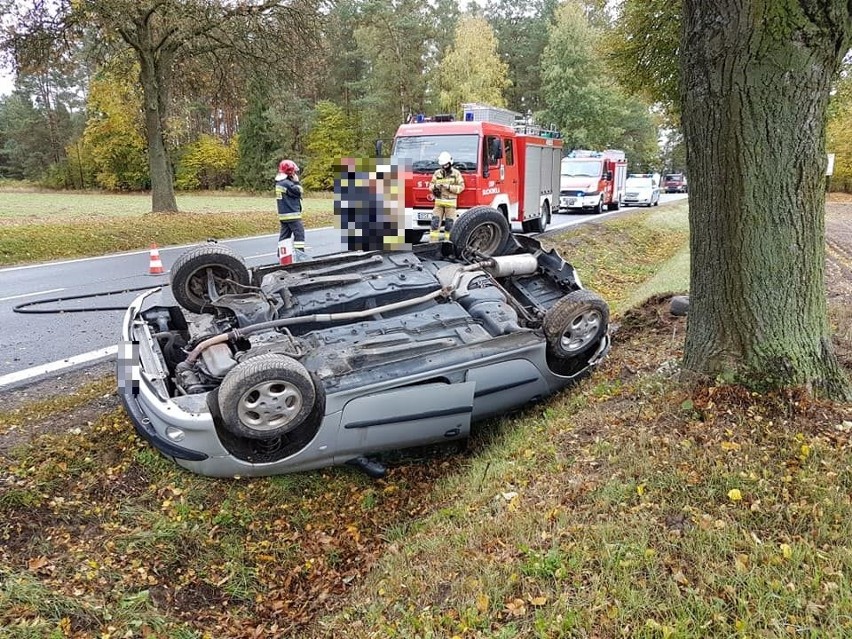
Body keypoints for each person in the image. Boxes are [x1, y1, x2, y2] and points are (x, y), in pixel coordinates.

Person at [428, 151, 465, 240]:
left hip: (450, 204)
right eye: (443, 165)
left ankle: (448, 244)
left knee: (450, 225)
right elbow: (430, 186)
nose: (444, 167)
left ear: (450, 163)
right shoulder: (437, 173)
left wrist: (449, 187)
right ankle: (433, 244)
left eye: (446, 165)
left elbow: (461, 187)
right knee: (435, 224)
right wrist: (436, 187)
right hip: (438, 203)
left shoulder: (456, 174)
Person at [275, 159, 305, 251]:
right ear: (290, 172)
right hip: (292, 215)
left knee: (285, 236)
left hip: (283, 215)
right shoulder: (288, 184)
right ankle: (300, 255)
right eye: (294, 172)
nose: (295, 174)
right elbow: (299, 191)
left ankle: (282, 255)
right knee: (299, 234)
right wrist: (296, 182)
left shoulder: (280, 183)